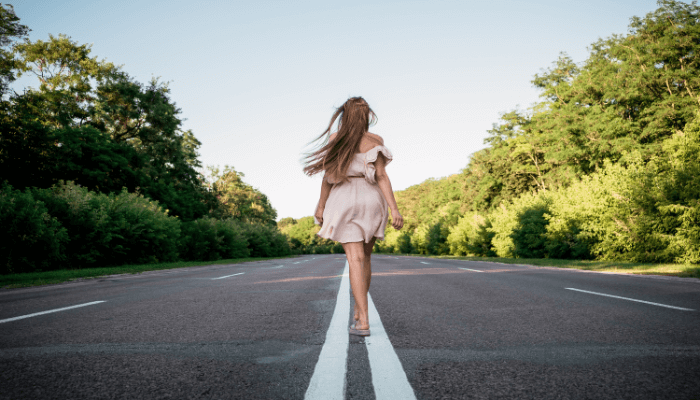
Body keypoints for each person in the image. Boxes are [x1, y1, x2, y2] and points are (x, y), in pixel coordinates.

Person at [302, 96, 404, 336]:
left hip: (344, 198)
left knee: (355, 260)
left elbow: (329, 175)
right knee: (366, 259)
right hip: (372, 198)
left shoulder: (337, 139)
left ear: (345, 115)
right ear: (367, 116)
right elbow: (381, 177)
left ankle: (363, 319)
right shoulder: (376, 140)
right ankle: (360, 313)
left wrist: (321, 205)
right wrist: (395, 209)